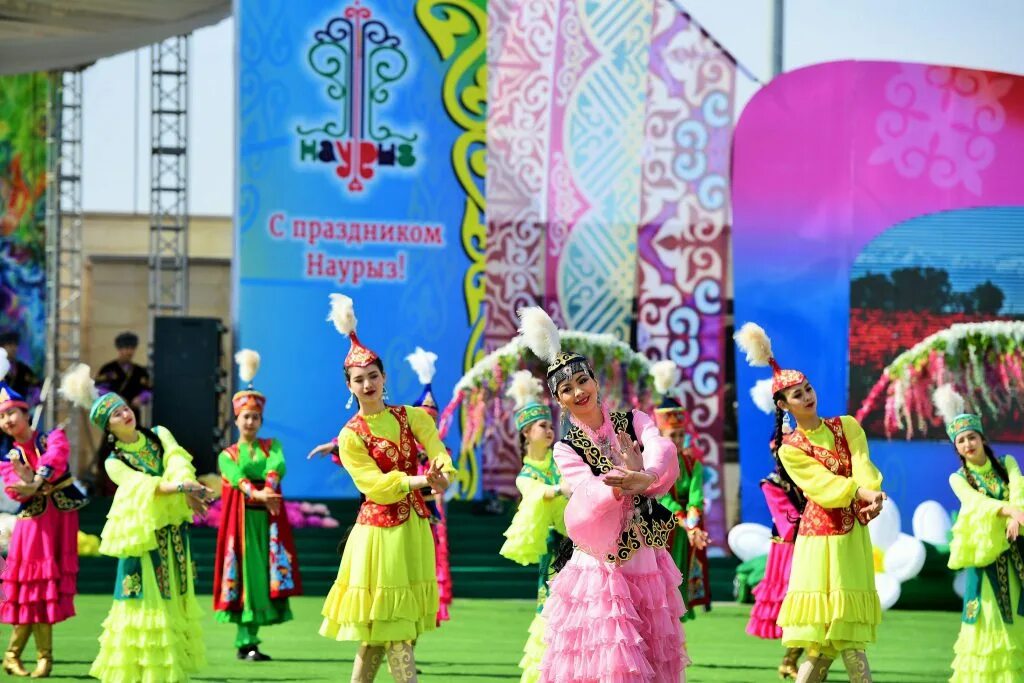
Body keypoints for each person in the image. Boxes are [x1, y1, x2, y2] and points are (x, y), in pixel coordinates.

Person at [516, 306, 693, 682]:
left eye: (582, 381)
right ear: (559, 400)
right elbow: (584, 494)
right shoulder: (566, 449)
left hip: (645, 556)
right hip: (602, 563)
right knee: (610, 663)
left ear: (595, 381)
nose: (578, 391)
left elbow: (660, 447)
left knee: (652, 654)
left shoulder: (634, 419)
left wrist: (646, 474)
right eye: (566, 388)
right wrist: (622, 478)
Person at [735, 323, 886, 683]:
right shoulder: (791, 449)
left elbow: (863, 465)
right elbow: (823, 486)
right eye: (796, 395)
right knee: (832, 634)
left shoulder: (847, 426)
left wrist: (873, 493)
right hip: (820, 543)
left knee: (839, 636)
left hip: (851, 538)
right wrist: (862, 494)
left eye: (808, 389)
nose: (806, 396)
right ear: (783, 405)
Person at [315, 294, 453, 682]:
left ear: (384, 378)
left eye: (373, 376)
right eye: (359, 379)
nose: (368, 383)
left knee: (380, 637)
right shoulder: (351, 435)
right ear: (350, 386)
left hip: (412, 531)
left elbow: (439, 450)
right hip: (378, 536)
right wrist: (421, 479)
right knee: (393, 632)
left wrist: (441, 470)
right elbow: (375, 486)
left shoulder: (410, 417)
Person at [59, 363, 211, 682]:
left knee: (174, 597)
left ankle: (167, 669)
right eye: (117, 415)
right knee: (142, 601)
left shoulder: (158, 434)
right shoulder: (114, 463)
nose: (126, 415)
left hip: (172, 533)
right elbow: (148, 487)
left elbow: (177, 461)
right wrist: (185, 488)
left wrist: (188, 487)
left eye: (125, 408)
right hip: (143, 537)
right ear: (108, 428)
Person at [213, 349, 302, 661]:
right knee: (246, 577)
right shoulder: (228, 454)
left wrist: (269, 489)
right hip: (242, 525)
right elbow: (236, 478)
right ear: (236, 420)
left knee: (264, 576)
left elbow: (276, 465)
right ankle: (246, 641)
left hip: (268, 523)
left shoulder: (271, 445)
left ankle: (248, 641)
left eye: (255, 417)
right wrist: (259, 493)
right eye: (245, 416)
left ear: (261, 420)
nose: (250, 421)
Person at [0, 350, 84, 678]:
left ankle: (32, 657)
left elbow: (58, 457)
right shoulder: (9, 459)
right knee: (30, 592)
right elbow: (14, 491)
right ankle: (24, 656)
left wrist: (35, 478)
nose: (8, 421)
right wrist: (26, 480)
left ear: (25, 413)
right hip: (33, 527)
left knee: (42, 592)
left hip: (58, 522)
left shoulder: (52, 437)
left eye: (12, 414)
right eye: (2, 417)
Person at [933, 384, 1024, 683]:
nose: (968, 444)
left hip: (1016, 555)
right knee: (986, 614)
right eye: (961, 441)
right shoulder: (958, 479)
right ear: (957, 448)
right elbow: (976, 502)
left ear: (982, 438)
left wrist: (1017, 514)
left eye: (972, 437)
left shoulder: (1007, 465)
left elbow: (1019, 490)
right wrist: (1009, 511)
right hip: (986, 559)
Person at [499, 370, 569, 683]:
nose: (549, 429)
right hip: (553, 552)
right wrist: (560, 489)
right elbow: (536, 493)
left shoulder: (563, 459)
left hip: (578, 544)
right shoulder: (527, 474)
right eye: (542, 425)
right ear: (527, 432)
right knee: (552, 607)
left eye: (550, 424)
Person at [747, 378, 807, 679]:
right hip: (790, 551)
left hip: (810, 544)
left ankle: (797, 659)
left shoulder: (809, 480)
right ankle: (790, 658)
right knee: (797, 604)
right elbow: (788, 521)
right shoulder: (772, 484)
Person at [650, 360, 712, 622]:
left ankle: (675, 633)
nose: (676, 440)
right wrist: (688, 524)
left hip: (685, 530)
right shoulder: (653, 463)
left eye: (679, 435)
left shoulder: (692, 462)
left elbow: (696, 494)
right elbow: (662, 498)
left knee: (681, 580)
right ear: (660, 433)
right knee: (658, 582)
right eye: (671, 435)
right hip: (661, 527)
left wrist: (694, 525)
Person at [405, 346, 453, 626]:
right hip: (403, 515)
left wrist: (440, 481)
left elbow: (448, 478)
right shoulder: (403, 446)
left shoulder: (440, 450)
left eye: (432, 421)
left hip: (430, 518)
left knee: (424, 572)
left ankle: (410, 639)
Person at [94, 332, 153, 417]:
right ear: (119, 349)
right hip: (113, 413)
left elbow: (148, 390)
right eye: (126, 348)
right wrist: (115, 399)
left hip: (133, 414)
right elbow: (99, 389)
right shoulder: (108, 369)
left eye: (132, 348)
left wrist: (141, 398)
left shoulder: (140, 371)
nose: (129, 352)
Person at [0, 331, 41, 405]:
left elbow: (35, 383)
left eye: (15, 345)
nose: (13, 348)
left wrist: (36, 393)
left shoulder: (22, 368)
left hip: (17, 409)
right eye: (9, 345)